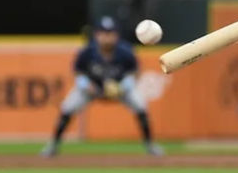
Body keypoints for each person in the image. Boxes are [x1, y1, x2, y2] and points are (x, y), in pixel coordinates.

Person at [41, 16, 163, 157]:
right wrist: (86, 85)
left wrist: (124, 86)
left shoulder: (125, 51)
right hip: (92, 88)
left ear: (116, 35)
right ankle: (53, 145)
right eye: (103, 33)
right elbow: (77, 72)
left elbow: (135, 72)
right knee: (67, 108)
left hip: (121, 89)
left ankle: (150, 145)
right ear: (97, 35)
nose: (107, 37)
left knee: (141, 107)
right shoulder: (87, 52)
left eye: (110, 33)